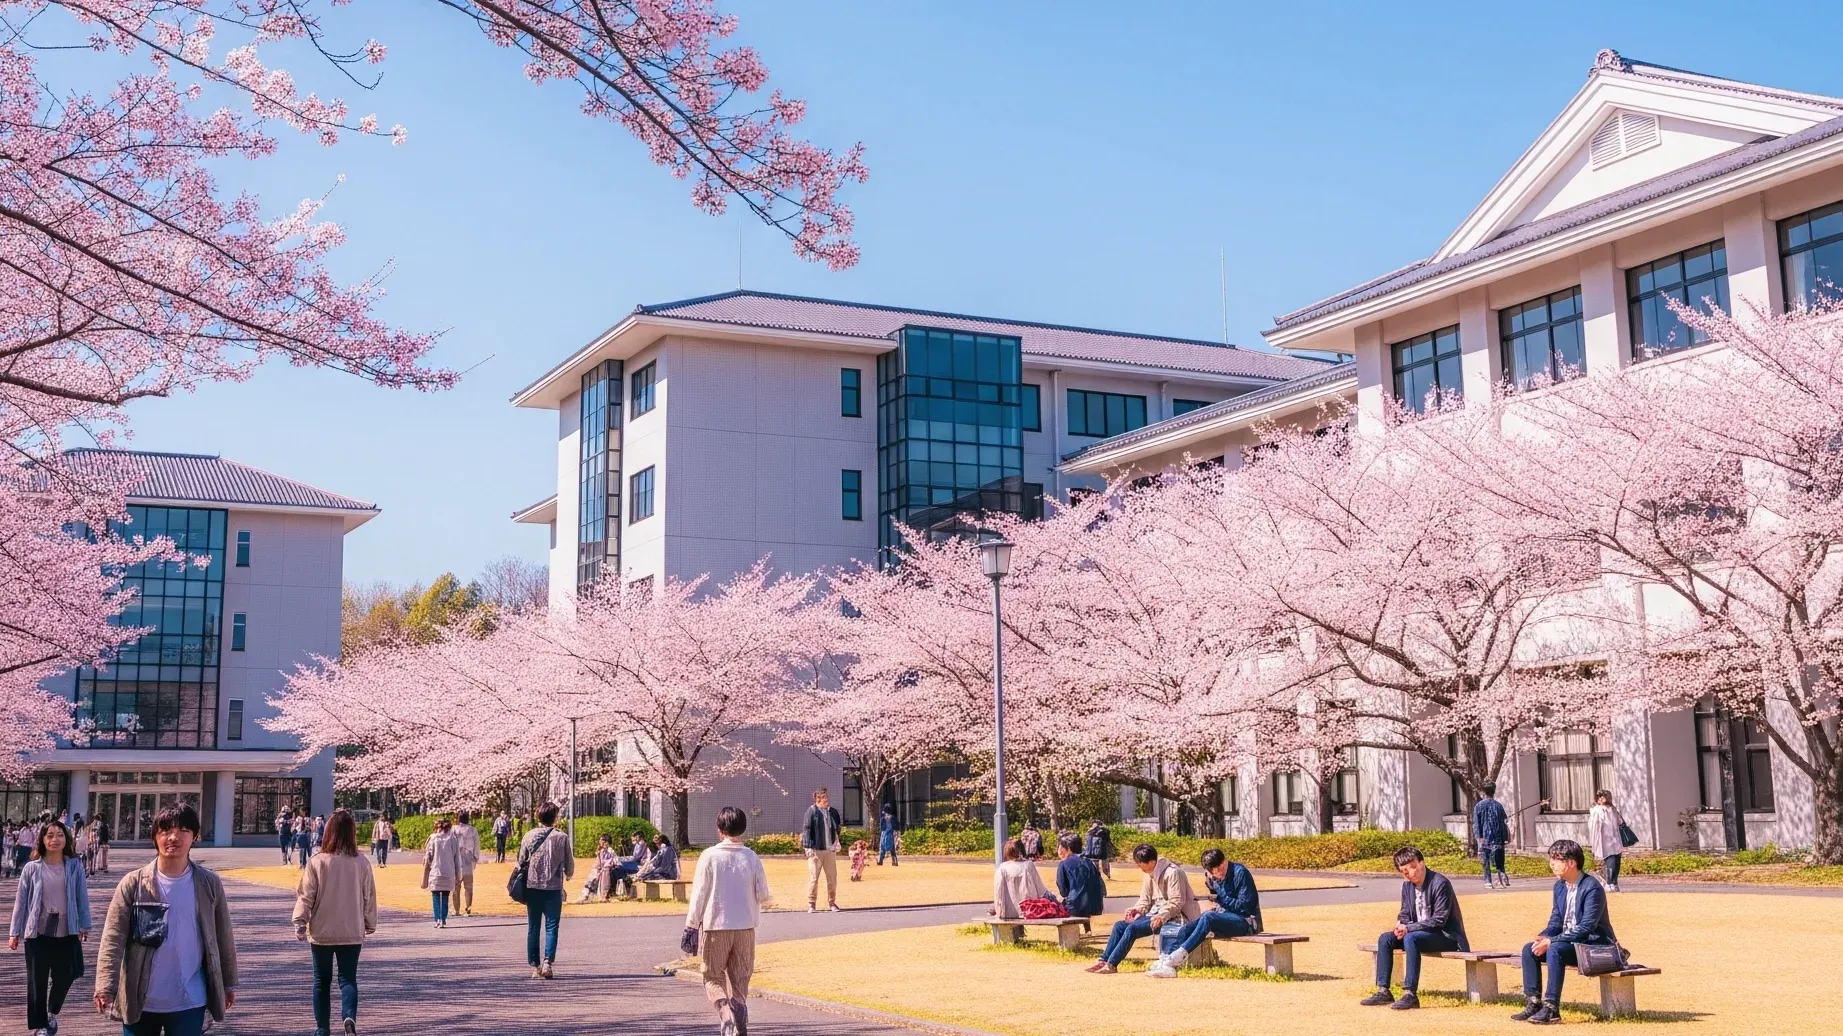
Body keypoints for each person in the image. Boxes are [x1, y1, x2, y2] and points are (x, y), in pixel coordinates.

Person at [94, 803, 238, 1035]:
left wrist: (228, 982)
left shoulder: (209, 884)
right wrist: (105, 986)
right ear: (154, 837)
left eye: (183, 830)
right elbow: (113, 938)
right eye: (165, 830)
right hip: (140, 997)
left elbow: (223, 935)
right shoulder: (134, 883)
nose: (173, 837)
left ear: (195, 836)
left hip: (190, 999)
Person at [1512, 839, 1620, 1024]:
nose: (1551, 864)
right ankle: (1534, 1002)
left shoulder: (1592, 887)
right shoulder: (1559, 886)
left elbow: (1586, 928)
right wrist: (1545, 936)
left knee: (1555, 949)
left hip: (1595, 947)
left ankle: (1552, 1008)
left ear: (1571, 863)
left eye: (1556, 859)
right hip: (1571, 944)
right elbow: (1556, 921)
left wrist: (1552, 942)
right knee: (1529, 950)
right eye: (1551, 859)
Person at [685, 806, 772, 1036]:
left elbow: (699, 894)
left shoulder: (710, 856)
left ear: (719, 829)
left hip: (716, 926)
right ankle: (740, 1007)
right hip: (745, 927)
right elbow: (764, 894)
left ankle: (725, 1013)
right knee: (741, 975)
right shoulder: (751, 857)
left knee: (712, 975)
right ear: (742, 828)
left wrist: (691, 925)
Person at [292, 809, 376, 1036]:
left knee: (321, 981)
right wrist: (369, 923)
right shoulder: (361, 863)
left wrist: (300, 921)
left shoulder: (318, 862)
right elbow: (368, 896)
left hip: (322, 931)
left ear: (328, 832)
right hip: (351, 930)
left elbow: (305, 895)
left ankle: (322, 1028)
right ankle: (349, 1016)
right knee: (348, 978)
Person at [1360, 847, 1470, 1009]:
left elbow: (1439, 919)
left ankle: (1410, 993)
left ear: (1422, 863)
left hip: (1445, 936)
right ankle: (1383, 990)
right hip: (1418, 935)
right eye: (1405, 871)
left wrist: (1409, 928)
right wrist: (1401, 924)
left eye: (1413, 867)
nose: (1410, 873)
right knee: (1386, 938)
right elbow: (1405, 912)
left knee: (1411, 937)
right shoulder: (1407, 887)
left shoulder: (1440, 883)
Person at [9, 818, 91, 1035]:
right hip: (37, 933)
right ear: (43, 840)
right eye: (50, 835)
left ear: (66, 838)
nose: (55, 839)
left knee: (67, 973)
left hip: (67, 930)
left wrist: (85, 924)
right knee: (37, 981)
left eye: (60, 835)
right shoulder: (31, 868)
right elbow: (21, 902)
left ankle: (52, 1011)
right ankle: (41, 1026)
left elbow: (82, 897)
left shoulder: (74, 866)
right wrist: (14, 932)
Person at [1149, 847, 1263, 978]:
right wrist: (1214, 893)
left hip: (1246, 922)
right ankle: (1167, 961)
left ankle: (1177, 957)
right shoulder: (1211, 878)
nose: (1219, 874)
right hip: (1224, 918)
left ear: (1225, 861)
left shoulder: (1240, 873)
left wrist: (1219, 898)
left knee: (1208, 917)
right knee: (1186, 929)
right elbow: (1218, 902)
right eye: (1214, 873)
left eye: (1221, 869)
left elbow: (1246, 906)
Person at [1085, 843, 1197, 974]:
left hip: (1175, 918)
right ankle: (1103, 960)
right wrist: (1137, 909)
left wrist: (1162, 916)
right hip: (1154, 915)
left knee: (1133, 928)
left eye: (1140, 864)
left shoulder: (1173, 872)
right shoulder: (1149, 873)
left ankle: (1112, 964)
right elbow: (1145, 899)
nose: (1139, 867)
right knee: (1119, 926)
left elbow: (1177, 902)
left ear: (1151, 861)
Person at [517, 802, 573, 979]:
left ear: (538, 816)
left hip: (533, 886)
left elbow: (521, 860)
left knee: (533, 926)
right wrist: (568, 874)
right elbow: (569, 864)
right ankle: (548, 962)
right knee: (552, 926)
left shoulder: (529, 835)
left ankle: (535, 965)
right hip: (553, 887)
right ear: (555, 817)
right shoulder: (561, 837)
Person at [799, 788, 843, 913]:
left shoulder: (832, 812)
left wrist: (836, 842)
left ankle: (832, 902)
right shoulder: (811, 812)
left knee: (832, 878)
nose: (826, 800)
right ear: (818, 799)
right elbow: (806, 828)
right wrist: (807, 847)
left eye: (827, 797)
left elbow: (837, 828)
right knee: (814, 877)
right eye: (824, 798)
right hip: (815, 850)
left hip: (829, 850)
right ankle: (811, 903)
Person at [990, 838, 1050, 918]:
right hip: (1028, 910)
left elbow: (998, 892)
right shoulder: (1028, 865)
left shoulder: (1001, 868)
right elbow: (1040, 890)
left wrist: (997, 909)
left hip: (1006, 912)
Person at [419, 818, 462, 928]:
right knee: (445, 897)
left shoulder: (433, 838)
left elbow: (429, 856)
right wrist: (458, 874)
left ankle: (437, 919)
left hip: (435, 871)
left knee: (436, 896)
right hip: (448, 872)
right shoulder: (453, 839)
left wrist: (427, 867)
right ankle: (443, 919)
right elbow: (457, 858)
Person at [1053, 833, 1105, 921]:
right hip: (1095, 906)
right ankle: (1087, 930)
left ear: (1067, 848)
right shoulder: (1090, 862)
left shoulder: (1063, 864)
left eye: (1060, 847)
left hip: (1074, 907)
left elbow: (1063, 891)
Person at [1473, 783, 1512, 889]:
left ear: (1483, 793)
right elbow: (1504, 821)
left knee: (1485, 860)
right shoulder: (1498, 805)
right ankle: (1502, 879)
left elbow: (1476, 823)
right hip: (1498, 837)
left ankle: (1488, 881)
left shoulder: (1478, 806)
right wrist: (1505, 837)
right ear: (1493, 792)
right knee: (1499, 860)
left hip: (1484, 838)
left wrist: (1478, 837)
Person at [1588, 790, 1626, 892]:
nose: (1601, 799)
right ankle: (1610, 883)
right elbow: (1594, 828)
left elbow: (1620, 822)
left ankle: (1614, 882)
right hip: (1605, 840)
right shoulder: (1597, 810)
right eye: (1599, 797)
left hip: (1615, 839)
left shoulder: (1612, 810)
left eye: (1603, 797)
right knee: (1611, 860)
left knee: (1616, 861)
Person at [452, 811, 481, 916]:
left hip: (456, 860)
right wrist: (475, 859)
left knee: (456, 887)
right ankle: (468, 909)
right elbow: (477, 846)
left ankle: (456, 910)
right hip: (468, 860)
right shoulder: (473, 830)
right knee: (468, 887)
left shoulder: (454, 830)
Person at [608, 833, 651, 900]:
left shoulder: (642, 844)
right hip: (637, 862)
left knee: (620, 867)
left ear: (640, 837)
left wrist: (623, 859)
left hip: (640, 864)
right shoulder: (638, 844)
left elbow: (636, 857)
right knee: (618, 866)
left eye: (636, 837)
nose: (634, 839)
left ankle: (622, 886)